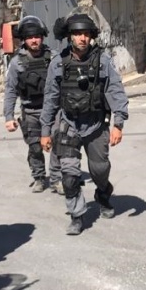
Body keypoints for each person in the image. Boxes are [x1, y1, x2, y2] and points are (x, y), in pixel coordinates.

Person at [40, 13, 129, 235]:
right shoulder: (58, 63)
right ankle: (77, 215)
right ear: (70, 36)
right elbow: (50, 98)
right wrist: (45, 131)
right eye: (78, 33)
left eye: (86, 33)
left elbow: (115, 90)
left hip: (96, 124)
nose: (82, 38)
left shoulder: (103, 61)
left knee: (100, 170)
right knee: (69, 174)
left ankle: (103, 193)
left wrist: (118, 123)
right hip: (69, 123)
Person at [3, 15, 62, 193]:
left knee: (58, 143)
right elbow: (10, 90)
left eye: (37, 36)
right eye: (30, 37)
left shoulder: (54, 58)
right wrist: (9, 116)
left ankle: (57, 178)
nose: (34, 40)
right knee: (35, 147)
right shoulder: (17, 63)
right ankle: (39, 177)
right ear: (24, 39)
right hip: (30, 111)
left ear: (42, 37)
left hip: (53, 110)